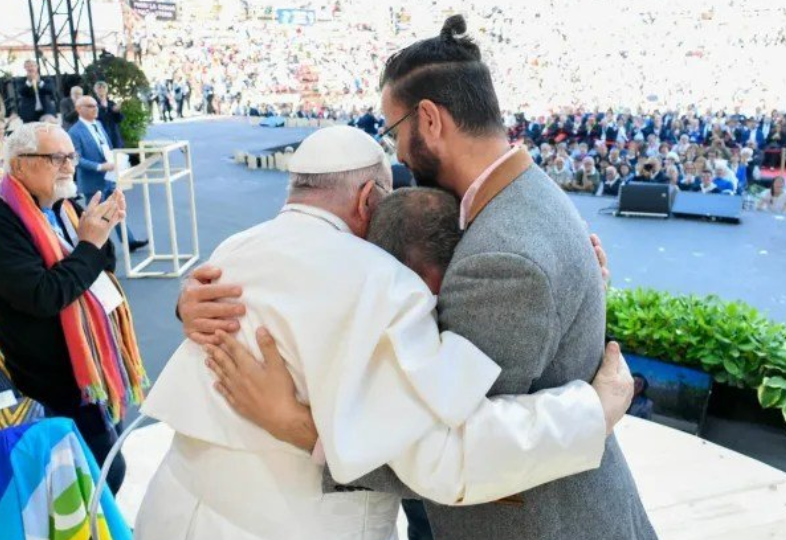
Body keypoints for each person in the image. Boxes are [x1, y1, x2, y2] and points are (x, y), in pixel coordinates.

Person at [179, 16, 655, 540]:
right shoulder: (520, 194)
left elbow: (452, 450)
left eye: (393, 131)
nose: (399, 154)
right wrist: (195, 303)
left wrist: (290, 421)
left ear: (428, 119)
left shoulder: (503, 258)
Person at [0, 123, 147, 494]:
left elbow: (103, 264)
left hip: (89, 365)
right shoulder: (5, 220)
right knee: (100, 474)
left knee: (102, 465)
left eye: (71, 156)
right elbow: (43, 295)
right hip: (47, 378)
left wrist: (102, 230)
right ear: (19, 166)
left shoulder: (64, 206)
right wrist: (89, 245)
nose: (68, 166)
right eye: (56, 158)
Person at [68, 96, 148, 252]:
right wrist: (99, 166)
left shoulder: (98, 124)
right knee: (97, 217)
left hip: (109, 177)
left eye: (96, 105)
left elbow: (107, 146)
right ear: (79, 109)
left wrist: (116, 160)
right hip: (93, 181)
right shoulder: (74, 131)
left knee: (115, 210)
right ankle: (96, 249)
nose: (95, 108)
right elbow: (76, 159)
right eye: (90, 106)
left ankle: (129, 241)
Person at [94, 81, 125, 149]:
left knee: (117, 153)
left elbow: (119, 119)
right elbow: (94, 117)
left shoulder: (112, 103)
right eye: (99, 87)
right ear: (95, 90)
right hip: (100, 134)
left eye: (104, 87)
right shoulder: (93, 104)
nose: (101, 89)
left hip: (114, 135)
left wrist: (117, 112)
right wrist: (104, 108)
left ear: (107, 90)